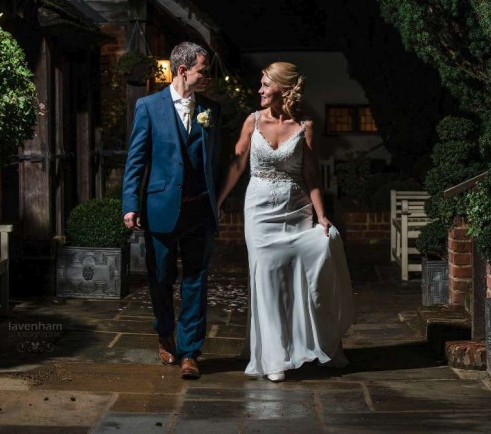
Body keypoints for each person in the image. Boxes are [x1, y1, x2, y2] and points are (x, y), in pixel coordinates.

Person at [217, 62, 354, 382]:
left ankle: (308, 345)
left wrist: (321, 215)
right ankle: (273, 356)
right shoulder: (251, 121)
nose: (260, 90)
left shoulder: (305, 126)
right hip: (259, 212)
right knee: (265, 278)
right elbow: (237, 166)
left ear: (283, 88)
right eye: (261, 85)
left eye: (266, 85)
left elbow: (310, 174)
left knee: (299, 281)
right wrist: (219, 201)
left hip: (297, 210)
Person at [122, 41, 221, 380]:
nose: (207, 77)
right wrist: (130, 205)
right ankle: (165, 334)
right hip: (161, 208)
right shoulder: (148, 107)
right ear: (183, 71)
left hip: (199, 212)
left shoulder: (211, 110)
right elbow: (136, 160)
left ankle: (190, 352)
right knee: (161, 278)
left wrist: (217, 202)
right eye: (203, 72)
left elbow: (215, 163)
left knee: (195, 281)